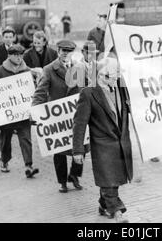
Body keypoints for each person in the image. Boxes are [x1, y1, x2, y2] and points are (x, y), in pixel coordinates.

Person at [72, 57, 133, 223]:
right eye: (112, 76)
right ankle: (117, 211)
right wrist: (77, 150)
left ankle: (103, 204)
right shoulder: (88, 93)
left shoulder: (121, 88)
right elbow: (79, 123)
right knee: (108, 179)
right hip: (102, 145)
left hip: (121, 143)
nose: (115, 80)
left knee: (114, 179)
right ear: (101, 75)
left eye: (117, 76)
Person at [32, 39, 85, 193]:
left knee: (79, 146)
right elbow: (40, 91)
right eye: (63, 51)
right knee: (59, 150)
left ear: (73, 53)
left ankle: (74, 175)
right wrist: (35, 111)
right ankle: (62, 181)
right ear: (58, 51)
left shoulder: (79, 68)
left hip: (75, 114)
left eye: (68, 51)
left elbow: (84, 89)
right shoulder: (49, 69)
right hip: (57, 117)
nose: (65, 54)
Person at [0, 44, 39, 178]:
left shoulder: (27, 70)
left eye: (20, 55)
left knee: (26, 139)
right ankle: (5, 161)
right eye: (16, 55)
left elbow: (33, 89)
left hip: (22, 112)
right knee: (6, 139)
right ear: (9, 55)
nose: (19, 58)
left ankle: (28, 165)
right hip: (7, 113)